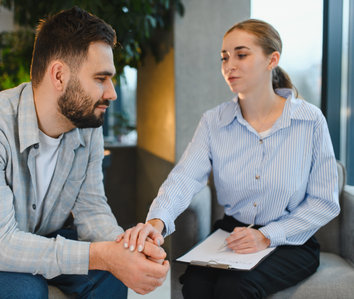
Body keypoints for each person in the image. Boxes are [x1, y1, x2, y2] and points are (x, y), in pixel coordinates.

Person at [0, 7, 169, 299]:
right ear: (58, 75)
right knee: (24, 291)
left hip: (32, 235)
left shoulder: (87, 127)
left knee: (111, 276)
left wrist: (126, 248)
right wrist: (103, 255)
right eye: (100, 79)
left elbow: (92, 210)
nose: (112, 93)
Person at [117, 19, 340, 298]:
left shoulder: (310, 121)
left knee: (235, 287)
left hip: (291, 241)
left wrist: (267, 235)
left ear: (272, 60)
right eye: (224, 57)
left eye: (241, 55)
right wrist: (156, 222)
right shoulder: (214, 122)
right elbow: (185, 177)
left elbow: (324, 202)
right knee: (196, 286)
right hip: (232, 235)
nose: (229, 65)